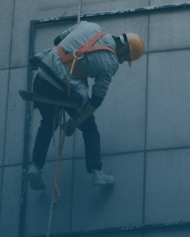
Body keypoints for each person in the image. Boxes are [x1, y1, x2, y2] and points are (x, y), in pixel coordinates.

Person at [26, 21, 145, 190]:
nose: (122, 62)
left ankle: (35, 167)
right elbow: (96, 100)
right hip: (63, 89)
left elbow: (56, 40)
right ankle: (97, 172)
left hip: (42, 79)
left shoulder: (90, 26)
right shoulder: (111, 63)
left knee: (47, 123)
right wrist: (75, 123)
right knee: (90, 129)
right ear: (125, 50)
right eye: (126, 59)